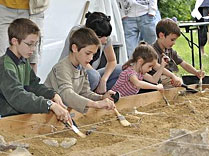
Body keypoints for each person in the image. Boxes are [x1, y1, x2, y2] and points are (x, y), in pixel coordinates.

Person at [0, 18, 71, 123]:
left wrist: (52, 95)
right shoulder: (6, 66)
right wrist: (49, 104)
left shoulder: (23, 60)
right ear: (14, 41)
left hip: (20, 114)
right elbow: (17, 97)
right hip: (7, 118)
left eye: (36, 44)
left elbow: (33, 85)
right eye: (29, 44)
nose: (33, 49)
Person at [45, 27, 115, 114]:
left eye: (93, 54)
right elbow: (67, 94)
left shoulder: (81, 66)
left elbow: (85, 92)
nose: (91, 58)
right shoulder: (62, 67)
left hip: (64, 111)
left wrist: (102, 97)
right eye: (88, 53)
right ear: (74, 48)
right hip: (49, 112)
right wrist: (95, 104)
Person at [59, 12, 122, 94]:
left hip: (91, 75)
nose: (104, 40)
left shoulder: (104, 37)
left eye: (106, 36)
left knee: (121, 69)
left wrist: (103, 80)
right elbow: (82, 62)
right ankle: (81, 100)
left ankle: (101, 95)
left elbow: (112, 61)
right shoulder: (77, 33)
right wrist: (98, 78)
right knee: (93, 76)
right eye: (100, 37)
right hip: (72, 76)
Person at [152, 18, 205, 88]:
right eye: (172, 39)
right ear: (161, 35)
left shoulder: (170, 50)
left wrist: (196, 72)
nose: (174, 43)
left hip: (168, 78)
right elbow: (157, 67)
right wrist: (173, 76)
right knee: (174, 82)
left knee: (179, 81)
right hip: (154, 81)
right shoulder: (151, 51)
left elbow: (184, 64)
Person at [0, 0, 50, 73]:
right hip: (4, 7)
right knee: (3, 58)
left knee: (32, 59)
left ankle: (30, 84)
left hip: (34, 10)